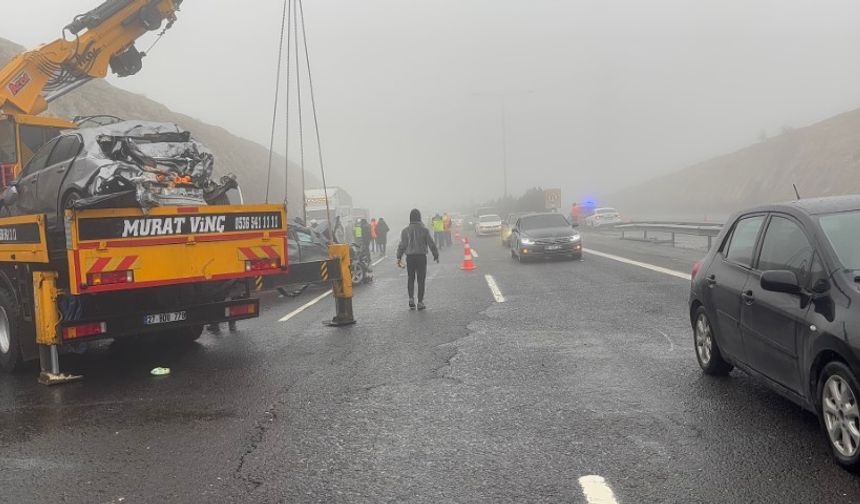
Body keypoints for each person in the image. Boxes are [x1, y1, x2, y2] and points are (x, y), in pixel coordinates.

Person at [396, 209, 439, 310]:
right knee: (421, 280)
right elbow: (431, 243)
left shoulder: (405, 230)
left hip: (410, 258)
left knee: (411, 278)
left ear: (410, 218)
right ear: (419, 217)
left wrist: (399, 257)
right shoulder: (424, 230)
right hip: (421, 257)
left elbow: (402, 245)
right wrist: (435, 254)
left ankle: (411, 298)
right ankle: (420, 302)